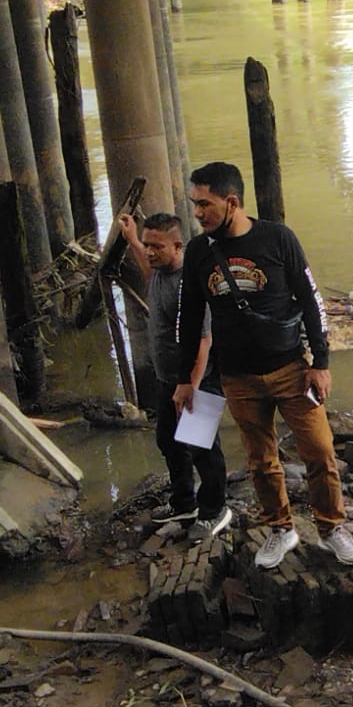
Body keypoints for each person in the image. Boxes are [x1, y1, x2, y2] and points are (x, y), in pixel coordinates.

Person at [173, 161, 353, 569]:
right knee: (261, 460)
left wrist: (321, 362)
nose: (198, 213)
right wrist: (184, 379)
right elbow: (188, 319)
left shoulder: (278, 239)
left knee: (320, 451)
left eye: (205, 204)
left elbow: (312, 301)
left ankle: (332, 527)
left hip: (291, 370)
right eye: (195, 204)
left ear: (231, 202)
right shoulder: (198, 252)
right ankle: (280, 528)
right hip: (236, 377)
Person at [118, 211, 231, 541]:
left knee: (202, 447)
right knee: (168, 441)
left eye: (157, 247)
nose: (150, 252)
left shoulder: (191, 283)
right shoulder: (159, 272)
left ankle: (215, 510)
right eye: (148, 245)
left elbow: (204, 341)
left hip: (198, 379)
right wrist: (133, 239)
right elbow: (148, 272)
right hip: (168, 378)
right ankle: (184, 503)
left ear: (178, 247)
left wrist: (190, 388)